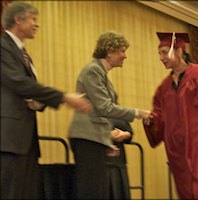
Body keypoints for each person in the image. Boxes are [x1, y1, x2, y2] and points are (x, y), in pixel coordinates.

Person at [0, 2, 92, 199]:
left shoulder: (24, 55)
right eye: (33, 19)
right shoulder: (2, 46)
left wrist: (38, 102)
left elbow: (24, 90)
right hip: (9, 138)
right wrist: (63, 96)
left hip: (26, 138)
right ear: (18, 20)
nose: (37, 24)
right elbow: (18, 82)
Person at [68, 31, 150, 199]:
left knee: (99, 191)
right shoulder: (93, 71)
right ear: (109, 51)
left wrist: (105, 140)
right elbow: (105, 108)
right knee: (91, 192)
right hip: (87, 140)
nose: (125, 56)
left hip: (93, 140)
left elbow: (99, 112)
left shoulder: (101, 74)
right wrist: (138, 113)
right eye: (122, 50)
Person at [143, 32, 198, 199]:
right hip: (177, 151)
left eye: (164, 52)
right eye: (159, 53)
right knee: (185, 191)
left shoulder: (197, 74)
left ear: (179, 52)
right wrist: (151, 120)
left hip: (197, 145)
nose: (161, 57)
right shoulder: (163, 88)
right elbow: (159, 116)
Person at [107, 119, 133, 199]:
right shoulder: (91, 110)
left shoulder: (117, 111)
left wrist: (125, 134)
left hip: (118, 161)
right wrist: (107, 134)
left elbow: (129, 132)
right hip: (99, 163)